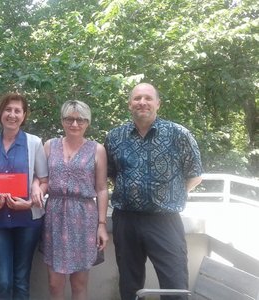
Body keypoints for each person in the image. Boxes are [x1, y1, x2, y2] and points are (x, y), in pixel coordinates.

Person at [104, 83, 203, 300]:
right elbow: (111, 173)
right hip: (126, 220)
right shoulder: (114, 137)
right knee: (129, 285)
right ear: (130, 104)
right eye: (137, 98)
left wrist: (171, 194)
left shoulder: (178, 134)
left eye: (148, 98)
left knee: (174, 284)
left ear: (157, 103)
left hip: (164, 220)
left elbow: (195, 174)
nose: (142, 102)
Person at [0, 93, 48, 300]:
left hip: (28, 219)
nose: (12, 115)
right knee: (3, 280)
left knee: (21, 280)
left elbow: (44, 180)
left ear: (24, 116)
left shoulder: (34, 143)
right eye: (8, 110)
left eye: (17, 111)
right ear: (0, 113)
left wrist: (31, 199)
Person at [41, 100, 109, 300]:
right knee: (55, 284)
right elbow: (41, 179)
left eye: (80, 119)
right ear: (62, 121)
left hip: (84, 218)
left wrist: (102, 224)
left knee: (79, 283)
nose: (74, 124)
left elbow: (102, 188)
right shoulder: (49, 146)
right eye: (69, 119)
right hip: (54, 216)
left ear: (87, 122)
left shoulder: (97, 150)